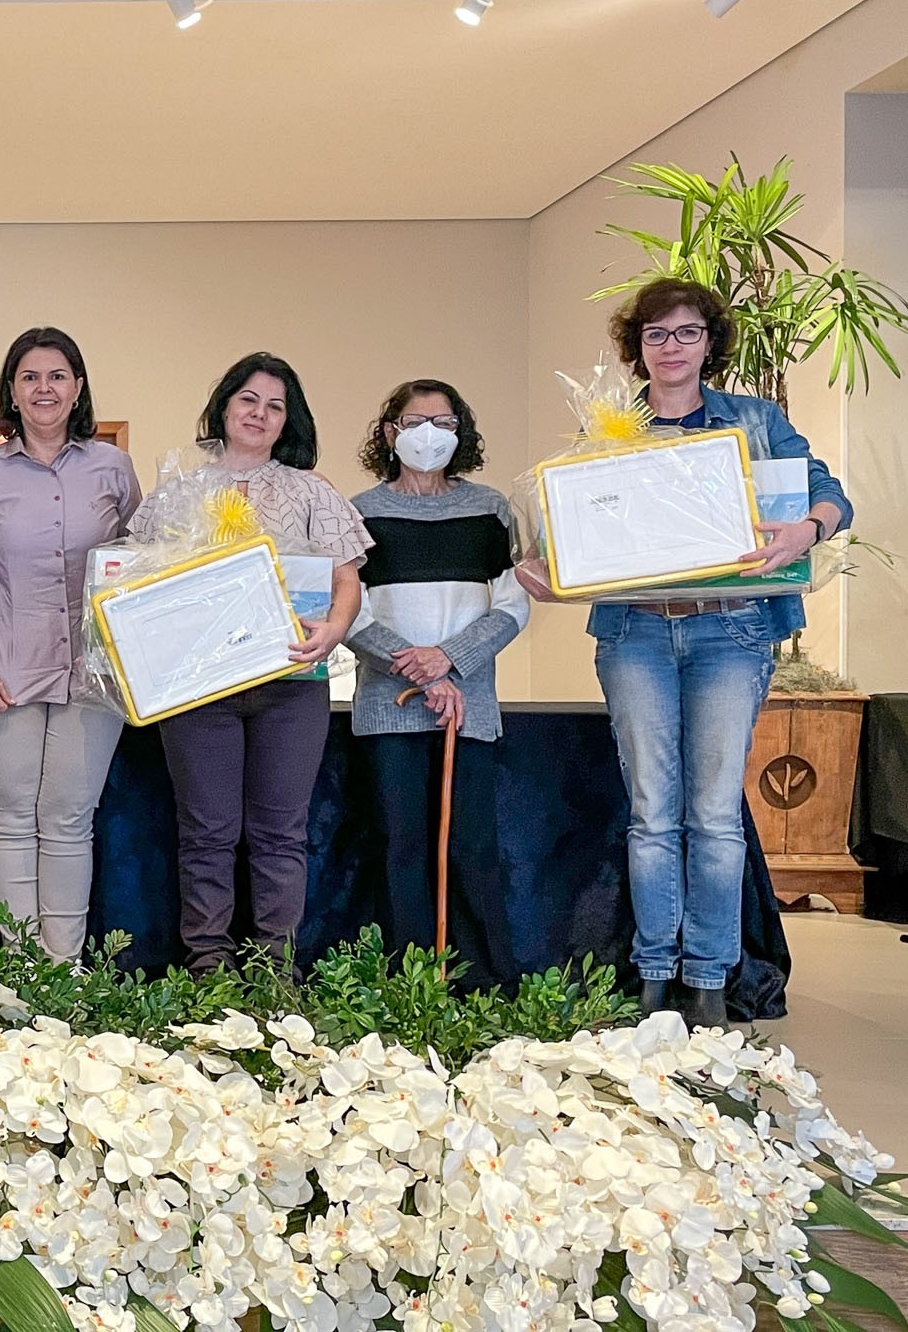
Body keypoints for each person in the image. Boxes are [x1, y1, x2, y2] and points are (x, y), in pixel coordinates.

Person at [516, 277, 851, 1029]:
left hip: (730, 632)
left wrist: (807, 529)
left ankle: (706, 977)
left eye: (687, 332)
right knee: (650, 813)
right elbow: (575, 529)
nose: (671, 346)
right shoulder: (609, 428)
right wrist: (548, 564)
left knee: (715, 815)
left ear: (709, 343)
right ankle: (653, 974)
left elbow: (828, 493)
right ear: (637, 348)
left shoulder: (755, 421)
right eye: (656, 334)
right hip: (634, 634)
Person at [133, 352, 370, 974]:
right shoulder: (178, 492)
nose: (259, 414)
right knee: (206, 835)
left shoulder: (312, 491)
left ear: (288, 421)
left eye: (275, 406)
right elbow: (135, 580)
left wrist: (334, 629)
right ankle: (207, 965)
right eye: (248, 399)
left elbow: (347, 580)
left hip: (290, 683)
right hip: (197, 689)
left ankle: (273, 970)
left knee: (280, 835)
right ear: (224, 406)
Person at [0, 327, 139, 959]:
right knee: (14, 819)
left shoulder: (113, 468)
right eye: (30, 377)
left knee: (71, 820)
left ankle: (63, 967)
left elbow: (144, 567)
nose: (43, 388)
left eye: (56, 376)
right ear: (12, 391)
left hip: (93, 676)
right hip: (2, 673)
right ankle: (23, 968)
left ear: (78, 388)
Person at [345, 379, 527, 984]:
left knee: (470, 847)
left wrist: (447, 660)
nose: (429, 435)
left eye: (443, 424)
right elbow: (349, 613)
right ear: (389, 432)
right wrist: (417, 667)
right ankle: (408, 985)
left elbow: (512, 606)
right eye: (414, 422)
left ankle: (480, 986)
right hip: (387, 704)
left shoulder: (492, 509)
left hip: (467, 704)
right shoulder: (359, 513)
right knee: (398, 847)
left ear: (460, 433)